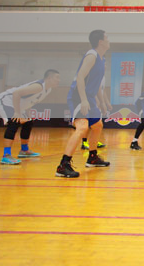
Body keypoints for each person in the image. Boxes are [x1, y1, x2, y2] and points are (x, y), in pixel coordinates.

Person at [56, 30, 111, 178]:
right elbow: (80, 77)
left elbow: (97, 84)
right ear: (100, 41)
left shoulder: (102, 60)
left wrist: (101, 102)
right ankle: (63, 165)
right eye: (106, 38)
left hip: (90, 97)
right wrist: (84, 100)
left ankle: (92, 157)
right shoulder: (91, 55)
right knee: (82, 127)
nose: (109, 40)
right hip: (78, 96)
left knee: (97, 125)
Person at [0, 69, 60, 165]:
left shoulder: (48, 89)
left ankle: (24, 150)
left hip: (17, 104)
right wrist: (17, 113)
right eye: (57, 78)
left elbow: (30, 101)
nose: (59, 80)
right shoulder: (38, 86)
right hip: (5, 101)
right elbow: (16, 93)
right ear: (49, 78)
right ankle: (6, 155)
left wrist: (28, 114)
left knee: (28, 122)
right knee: (14, 122)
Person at [81, 78, 110, 150]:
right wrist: (97, 101)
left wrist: (106, 102)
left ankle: (94, 141)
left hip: (97, 103)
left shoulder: (103, 77)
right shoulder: (92, 75)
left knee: (96, 125)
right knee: (88, 123)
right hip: (91, 102)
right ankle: (84, 142)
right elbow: (93, 90)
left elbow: (103, 91)